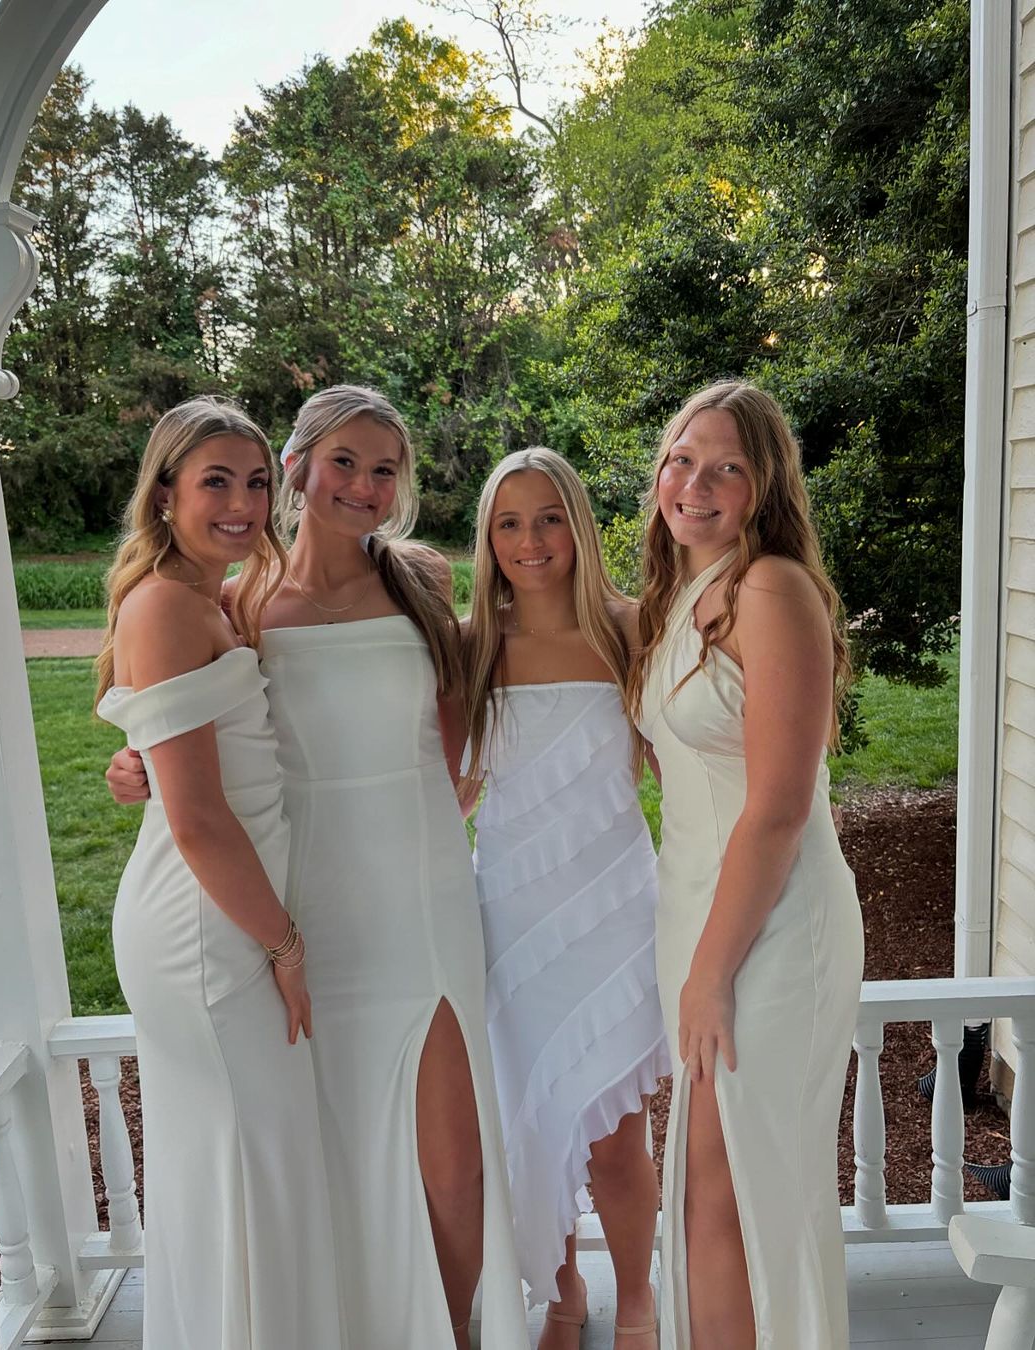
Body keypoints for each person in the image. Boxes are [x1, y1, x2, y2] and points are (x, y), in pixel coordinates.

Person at [107, 385, 528, 1350]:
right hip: (302, 908)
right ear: (297, 467)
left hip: (419, 898)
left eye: (385, 469)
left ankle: (453, 1334)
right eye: (344, 461)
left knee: (453, 1165)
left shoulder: (422, 579)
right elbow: (195, 738)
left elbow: (458, 736)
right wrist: (135, 769)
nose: (364, 486)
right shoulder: (238, 601)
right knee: (329, 1161)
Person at [95, 396, 345, 1350]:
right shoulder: (165, 603)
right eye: (215, 483)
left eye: (256, 482)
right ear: (164, 494)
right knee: (251, 1158)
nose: (242, 503)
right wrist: (284, 945)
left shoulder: (213, 598)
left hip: (226, 909)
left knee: (243, 1160)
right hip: (208, 925)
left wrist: (139, 767)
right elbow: (199, 819)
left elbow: (186, 760)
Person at [628, 379, 864, 1349]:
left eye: (726, 468)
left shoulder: (772, 589)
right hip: (696, 909)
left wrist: (711, 972)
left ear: (764, 486)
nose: (696, 484)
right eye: (682, 460)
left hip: (769, 924)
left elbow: (777, 809)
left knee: (744, 1187)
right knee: (704, 1186)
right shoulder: (678, 597)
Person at [457, 448, 669, 1349]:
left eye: (549, 518)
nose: (531, 540)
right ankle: (563, 1291)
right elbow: (439, 783)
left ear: (578, 526)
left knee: (616, 1132)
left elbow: (685, 758)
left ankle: (640, 1298)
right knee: (533, 1118)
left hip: (613, 907)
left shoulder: (631, 628)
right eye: (509, 523)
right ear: (488, 538)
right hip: (512, 911)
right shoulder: (470, 644)